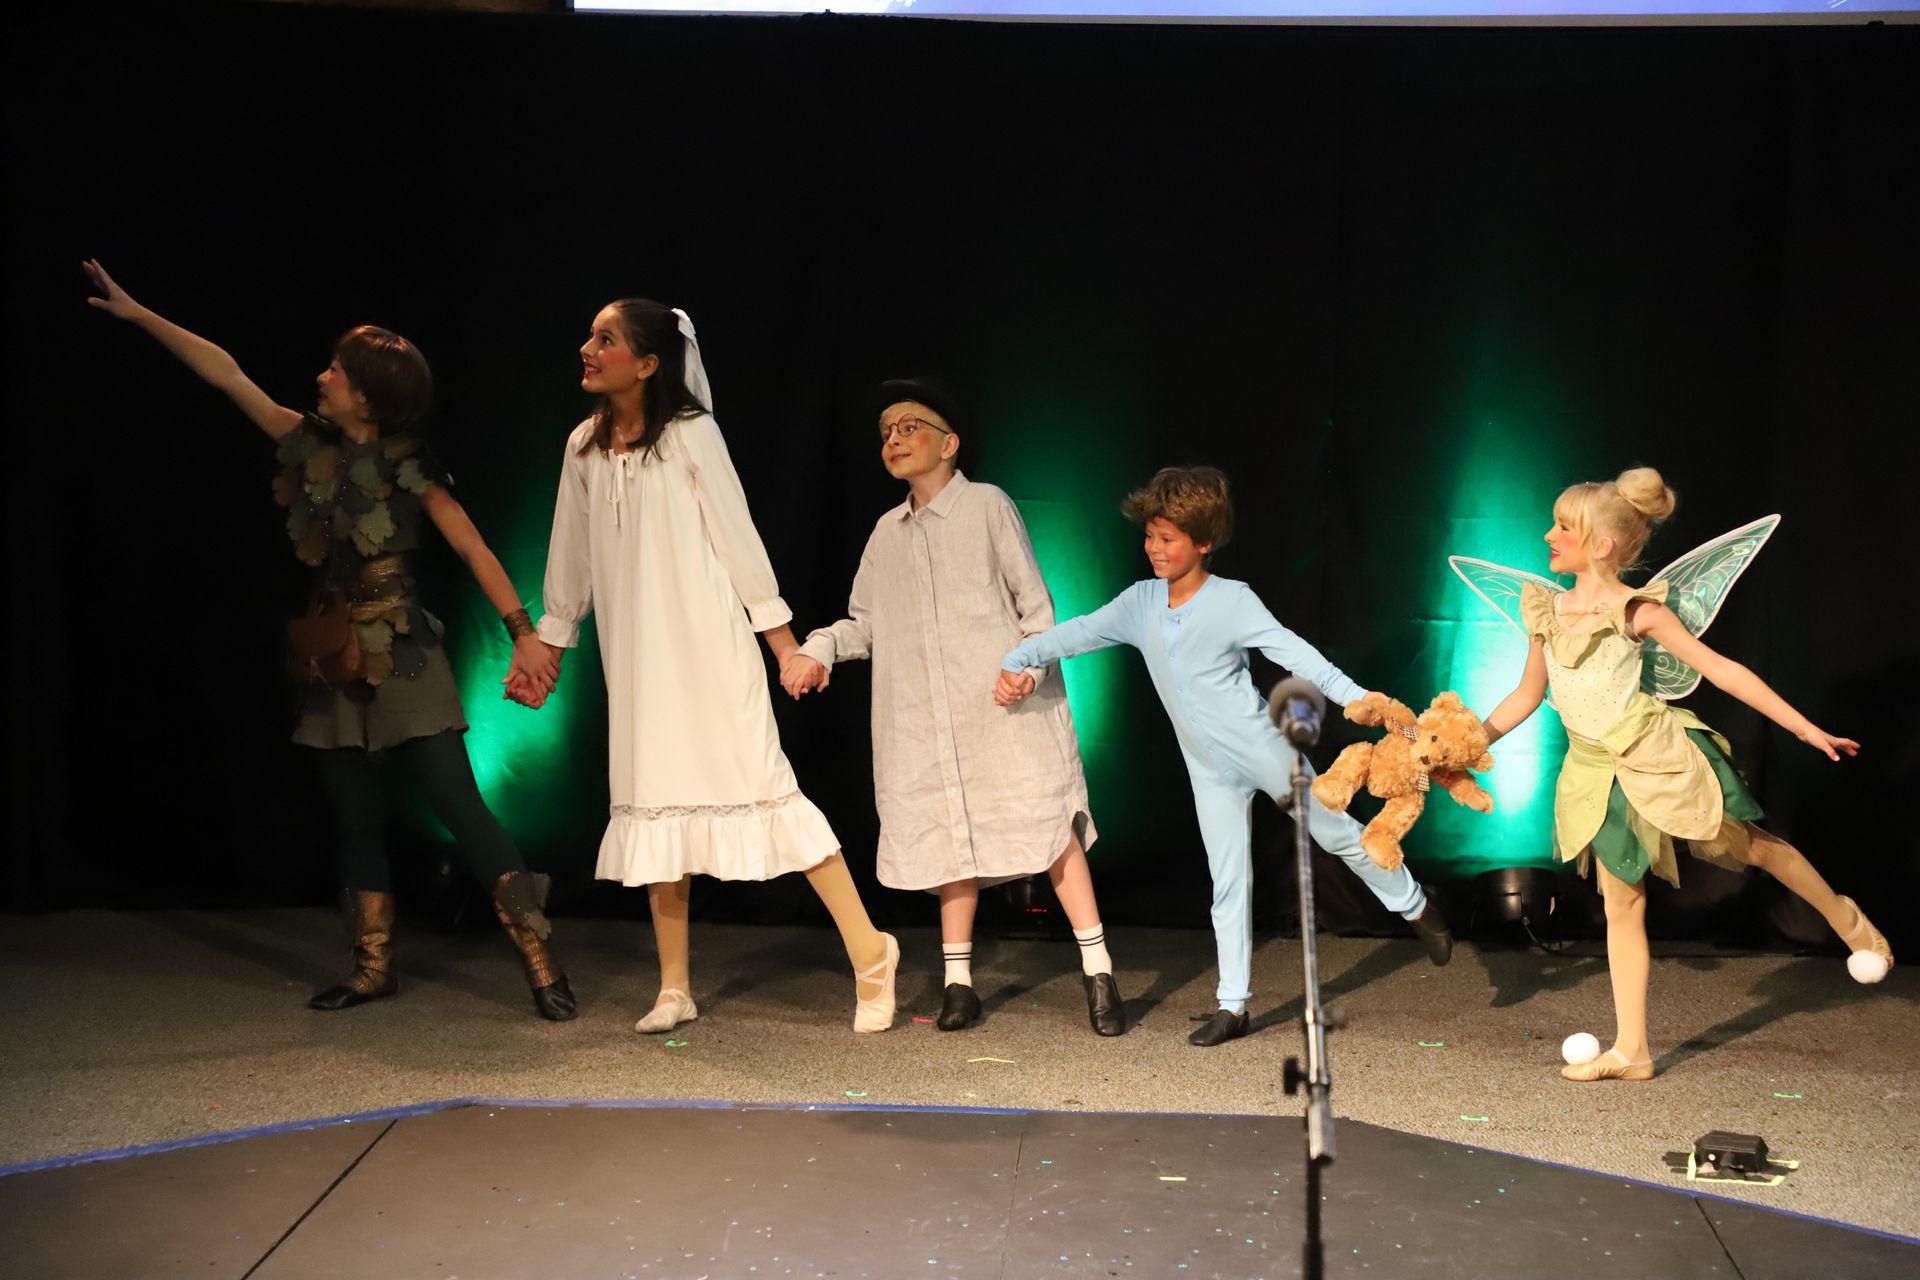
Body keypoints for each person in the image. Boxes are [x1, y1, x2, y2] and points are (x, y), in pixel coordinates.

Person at [84, 259, 576, 1021]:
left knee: (460, 804)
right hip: (332, 652)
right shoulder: (306, 442)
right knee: (353, 815)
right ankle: (372, 966)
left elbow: (476, 549)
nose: (323, 378)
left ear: (370, 393)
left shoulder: (412, 469)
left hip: (403, 648)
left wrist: (523, 635)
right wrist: (142, 315)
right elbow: (228, 376)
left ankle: (540, 962)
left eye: (337, 372)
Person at [509, 299, 898, 1034]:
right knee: (658, 804)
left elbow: (738, 539)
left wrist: (785, 648)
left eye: (607, 339)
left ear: (649, 363)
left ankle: (872, 950)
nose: (588, 348)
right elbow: (571, 556)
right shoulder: (582, 448)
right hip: (640, 655)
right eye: (591, 335)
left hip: (708, 647)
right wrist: (551, 648)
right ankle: (675, 985)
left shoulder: (691, 435)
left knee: (767, 789)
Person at [998, 466, 1450, 1047]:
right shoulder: (1139, 603)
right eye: (1150, 536)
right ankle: (1232, 1005)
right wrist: (1021, 657)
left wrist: (1360, 699)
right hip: (1207, 769)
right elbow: (1078, 633)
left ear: (1204, 542)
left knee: (1336, 834)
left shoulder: (1232, 601)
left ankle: (1415, 905)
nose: (1155, 549)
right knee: (1227, 879)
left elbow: (1297, 654)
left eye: (1169, 539)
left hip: (1265, 749)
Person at [1474, 466, 1889, 1081]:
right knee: (1622, 904)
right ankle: (1633, 1051)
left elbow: (1722, 671)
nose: (1547, 536)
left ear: (1601, 545)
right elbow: (1526, 695)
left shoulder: (1637, 610)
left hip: (1658, 757)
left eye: (1562, 527)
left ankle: (1848, 919)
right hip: (1595, 772)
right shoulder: (1546, 610)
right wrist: (1464, 743)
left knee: (1758, 850)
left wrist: (1804, 727)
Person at [781, 378, 1124, 1035]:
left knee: (1048, 828)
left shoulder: (988, 506)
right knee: (950, 842)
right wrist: (820, 648)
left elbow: (1036, 608)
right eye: (886, 433)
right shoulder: (886, 533)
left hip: (1003, 711)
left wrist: (1025, 667)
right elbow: (866, 623)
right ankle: (959, 981)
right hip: (927, 720)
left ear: (949, 443)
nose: (895, 440)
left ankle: (1099, 970)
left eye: (910, 427)